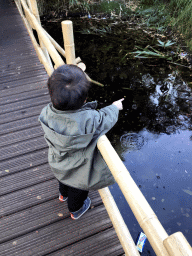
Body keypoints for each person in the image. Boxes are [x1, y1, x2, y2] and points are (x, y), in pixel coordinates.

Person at [39, 64, 124, 220]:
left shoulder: (46, 112)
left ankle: (62, 195)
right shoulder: (87, 119)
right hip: (79, 170)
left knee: (63, 179)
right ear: (85, 99)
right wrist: (114, 107)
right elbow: (104, 119)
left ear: (51, 94)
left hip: (58, 161)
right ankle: (75, 210)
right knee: (78, 190)